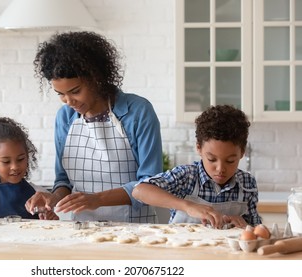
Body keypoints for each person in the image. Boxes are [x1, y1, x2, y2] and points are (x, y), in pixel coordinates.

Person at [27, 31, 163, 223]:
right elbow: (63, 180)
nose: (68, 101)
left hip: (134, 229)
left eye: (75, 91)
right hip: (80, 229)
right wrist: (53, 198)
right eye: (60, 94)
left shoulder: (137, 112)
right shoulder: (65, 117)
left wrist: (97, 199)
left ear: (95, 78)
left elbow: (151, 183)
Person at [133, 105, 262, 229]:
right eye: (212, 159)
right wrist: (188, 206)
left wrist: (243, 224)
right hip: (183, 251)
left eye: (230, 161)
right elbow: (139, 191)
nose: (220, 168)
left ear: (242, 152)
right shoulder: (186, 176)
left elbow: (256, 230)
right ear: (199, 148)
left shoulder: (247, 183)